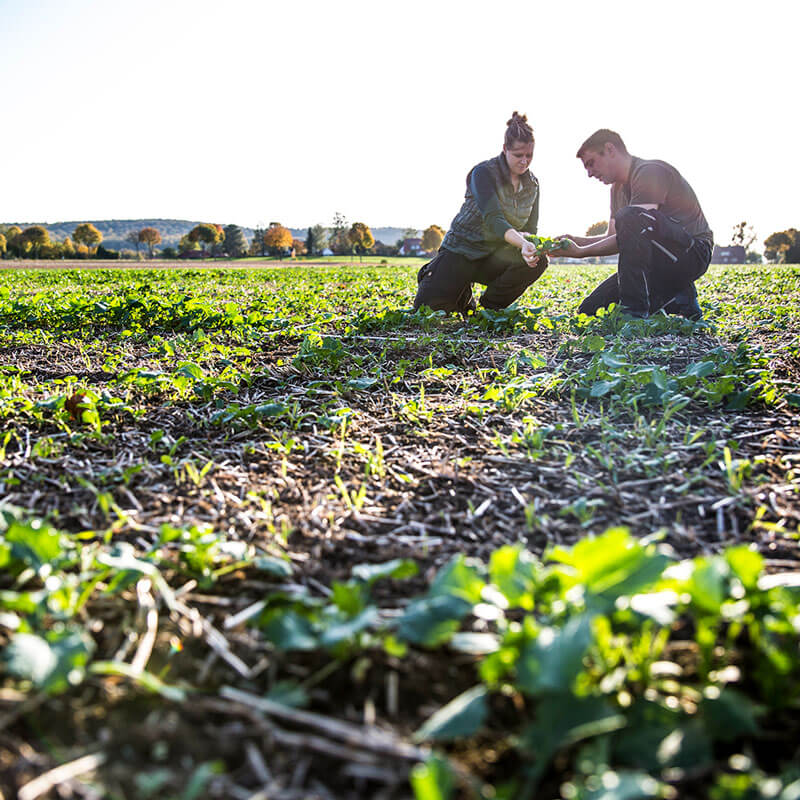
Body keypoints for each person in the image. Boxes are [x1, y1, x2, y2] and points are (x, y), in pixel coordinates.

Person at [554, 129, 713, 320]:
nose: (589, 174)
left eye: (591, 163)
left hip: (692, 253)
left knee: (631, 217)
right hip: (657, 260)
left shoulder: (649, 172)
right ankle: (679, 300)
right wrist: (574, 241)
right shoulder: (617, 189)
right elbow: (614, 238)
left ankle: (635, 314)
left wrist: (580, 252)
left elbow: (635, 226)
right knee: (590, 310)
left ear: (610, 149)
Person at [414, 112, 548, 315]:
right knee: (427, 310)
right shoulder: (483, 173)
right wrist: (522, 242)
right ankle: (438, 275)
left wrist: (530, 247)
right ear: (505, 150)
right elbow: (494, 220)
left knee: (539, 260)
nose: (524, 161)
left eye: (529, 155)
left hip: (494, 257)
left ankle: (491, 306)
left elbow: (530, 229)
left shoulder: (533, 185)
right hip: (462, 252)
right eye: (518, 155)